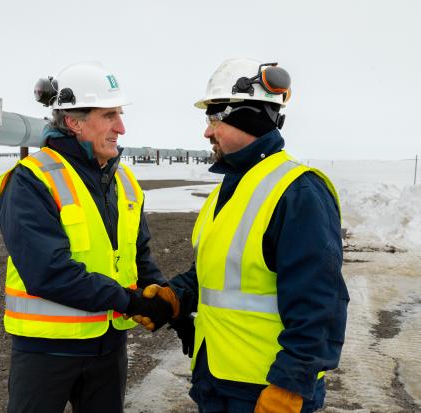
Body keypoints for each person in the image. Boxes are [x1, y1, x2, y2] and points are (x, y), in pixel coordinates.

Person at [134, 59, 349, 413]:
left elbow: (320, 304)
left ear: (247, 117)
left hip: (266, 389)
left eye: (214, 119)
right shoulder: (231, 188)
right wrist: (176, 295)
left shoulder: (297, 191)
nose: (207, 132)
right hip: (218, 381)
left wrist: (290, 386)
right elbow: (222, 272)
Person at [0, 61, 172, 413]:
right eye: (109, 115)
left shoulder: (124, 182)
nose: (121, 127)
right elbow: (48, 271)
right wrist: (131, 302)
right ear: (74, 122)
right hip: (46, 350)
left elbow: (139, 255)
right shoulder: (31, 180)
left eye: (119, 114)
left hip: (108, 348)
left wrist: (163, 297)